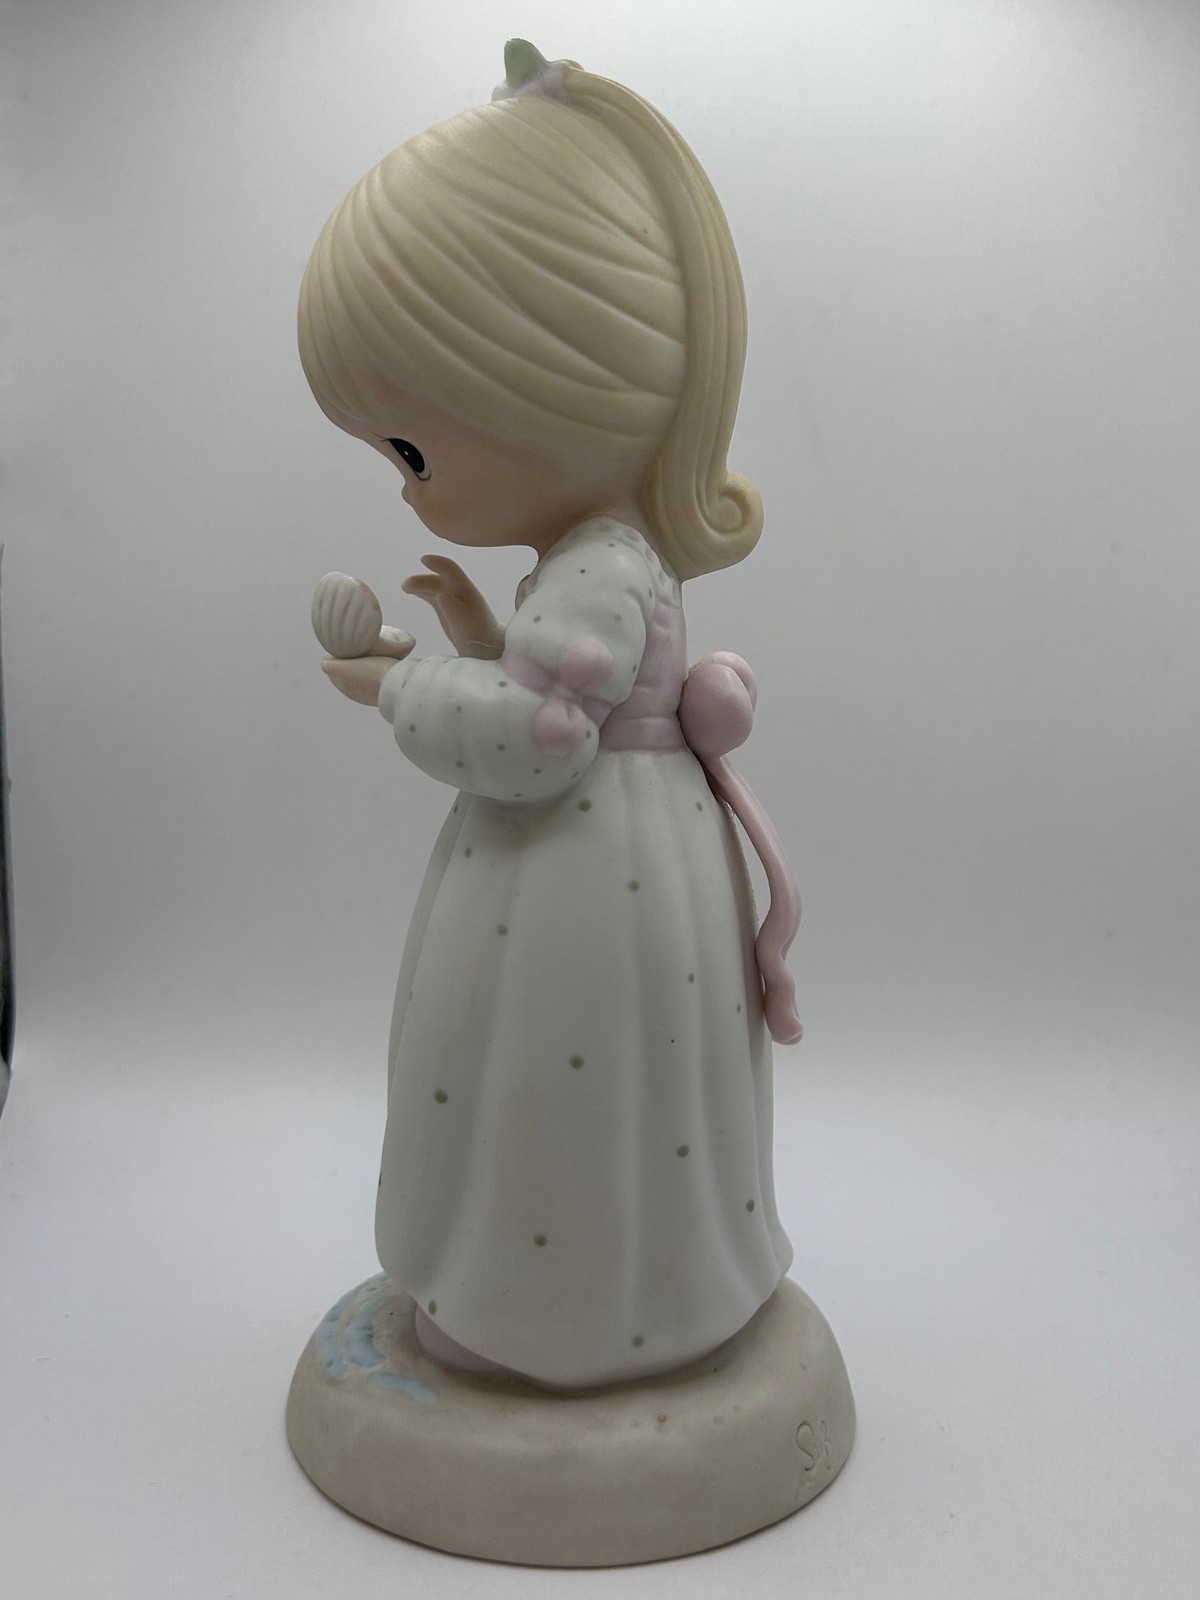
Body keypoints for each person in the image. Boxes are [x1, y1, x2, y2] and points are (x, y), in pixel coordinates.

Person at [298, 41, 800, 1388]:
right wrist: (474, 632)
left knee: (558, 1075)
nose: (406, 485)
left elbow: (537, 738)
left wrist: (394, 683)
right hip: (617, 852)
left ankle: (552, 1311)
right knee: (570, 1079)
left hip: (588, 869)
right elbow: (559, 681)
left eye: (412, 449)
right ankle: (575, 1297)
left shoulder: (605, 566)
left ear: (550, 386)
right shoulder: (594, 564)